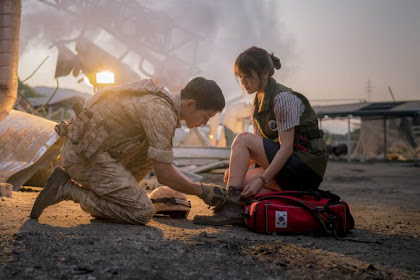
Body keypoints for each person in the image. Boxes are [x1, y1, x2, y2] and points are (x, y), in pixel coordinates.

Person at [31, 77, 227, 225]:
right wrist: (202, 190)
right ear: (190, 104)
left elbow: (162, 164)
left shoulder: (162, 103)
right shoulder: (161, 112)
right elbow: (165, 175)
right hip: (83, 157)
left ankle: (111, 192)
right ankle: (66, 189)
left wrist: (198, 187)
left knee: (156, 152)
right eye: (206, 117)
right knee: (141, 212)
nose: (204, 124)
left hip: (95, 152)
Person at [194, 46, 328, 225]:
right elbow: (258, 149)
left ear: (265, 73)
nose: (243, 81)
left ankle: (231, 208)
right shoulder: (258, 101)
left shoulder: (283, 98)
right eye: (240, 76)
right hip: (289, 169)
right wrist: (235, 170)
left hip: (305, 167)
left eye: (247, 75)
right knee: (238, 183)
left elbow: (286, 148)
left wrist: (262, 180)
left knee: (242, 139)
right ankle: (240, 207)